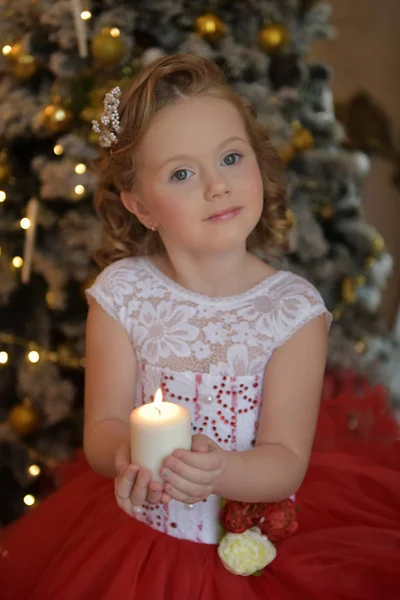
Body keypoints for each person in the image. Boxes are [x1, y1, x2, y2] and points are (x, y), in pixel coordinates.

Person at [0, 53, 399, 600]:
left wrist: (220, 473)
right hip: (136, 545)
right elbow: (104, 426)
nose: (217, 185)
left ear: (258, 163)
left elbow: (284, 462)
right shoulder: (123, 294)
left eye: (231, 158)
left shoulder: (292, 311)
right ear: (141, 205)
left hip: (243, 553)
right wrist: (125, 454)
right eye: (183, 173)